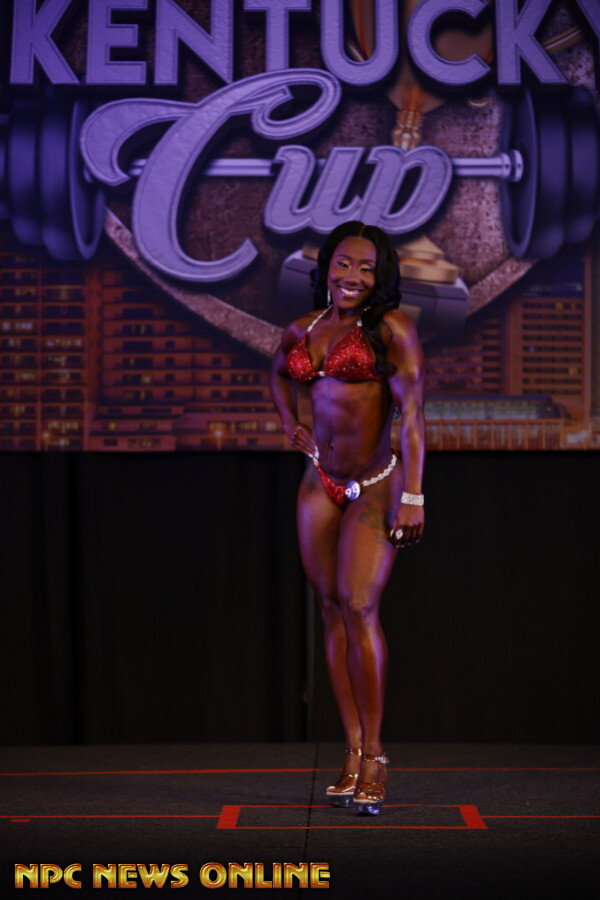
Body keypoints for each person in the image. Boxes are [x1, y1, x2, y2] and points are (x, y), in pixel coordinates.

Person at [270, 221, 425, 815]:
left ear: (380, 275)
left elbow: (413, 418)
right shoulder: (305, 329)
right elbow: (278, 374)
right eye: (343, 263)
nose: (352, 276)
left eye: (365, 267)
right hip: (320, 483)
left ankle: (377, 756)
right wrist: (292, 426)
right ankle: (353, 750)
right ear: (326, 267)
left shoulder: (393, 329)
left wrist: (415, 496)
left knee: (359, 606)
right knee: (331, 609)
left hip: (378, 484)